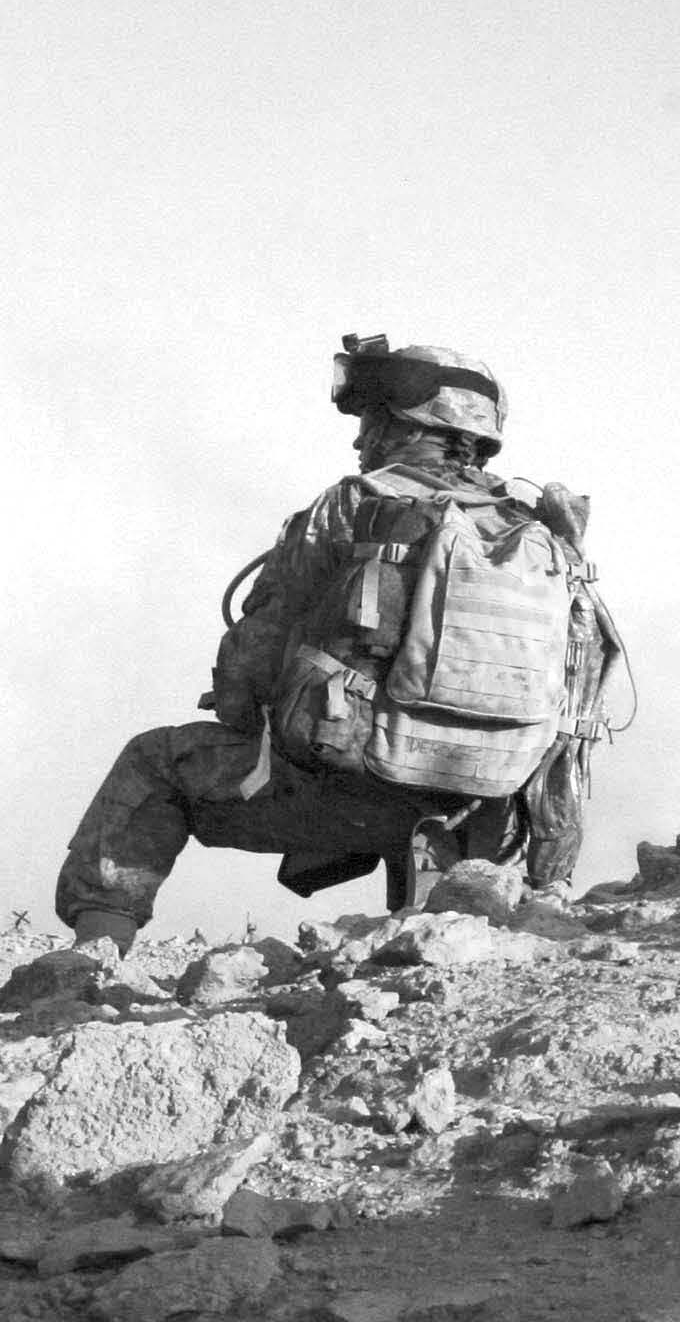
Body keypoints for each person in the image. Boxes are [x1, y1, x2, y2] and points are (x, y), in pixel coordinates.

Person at [28, 337, 611, 985]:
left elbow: (250, 660)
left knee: (156, 762)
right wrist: (548, 879)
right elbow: (576, 723)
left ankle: (90, 959)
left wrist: (261, 710)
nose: (360, 442)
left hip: (360, 790)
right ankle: (430, 933)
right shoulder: (546, 540)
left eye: (370, 422)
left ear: (398, 423)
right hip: (495, 823)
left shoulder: (351, 505)